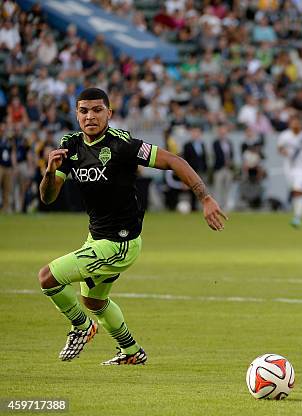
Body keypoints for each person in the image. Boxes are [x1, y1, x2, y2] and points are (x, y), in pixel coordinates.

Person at [38, 88, 226, 365]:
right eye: (84, 110)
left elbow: (175, 160)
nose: (90, 116)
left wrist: (205, 197)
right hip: (96, 238)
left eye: (97, 110)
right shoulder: (71, 146)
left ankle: (81, 327)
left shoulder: (122, 145)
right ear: (76, 115)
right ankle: (131, 352)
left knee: (48, 278)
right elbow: (48, 197)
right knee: (94, 303)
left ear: (109, 114)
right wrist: (50, 171)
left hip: (120, 242)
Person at [277, 116, 302, 228]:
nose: (295, 125)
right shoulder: (285, 136)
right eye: (293, 123)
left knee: (298, 190)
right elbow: (279, 148)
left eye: (297, 123)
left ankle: (297, 217)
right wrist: (283, 151)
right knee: (295, 191)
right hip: (289, 167)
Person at [182, 126, 209, 212]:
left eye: (197, 132)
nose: (195, 134)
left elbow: (204, 159)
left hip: (200, 171)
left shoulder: (202, 145)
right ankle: (193, 207)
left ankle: (200, 207)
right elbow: (185, 160)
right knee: (192, 190)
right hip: (191, 171)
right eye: (194, 132)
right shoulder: (187, 145)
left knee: (201, 190)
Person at [212, 124, 234, 210]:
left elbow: (231, 154)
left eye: (224, 131)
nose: (222, 133)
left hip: (228, 169)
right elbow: (217, 155)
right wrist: (224, 162)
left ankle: (225, 206)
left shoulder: (229, 143)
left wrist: (230, 163)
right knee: (218, 188)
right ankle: (216, 206)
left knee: (227, 188)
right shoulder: (215, 143)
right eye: (221, 132)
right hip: (219, 168)